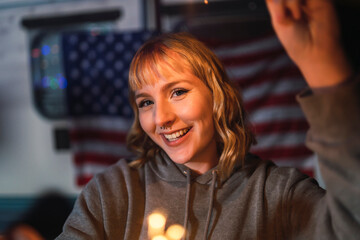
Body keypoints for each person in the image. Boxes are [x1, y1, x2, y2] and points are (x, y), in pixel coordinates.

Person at [57, 0, 360, 239]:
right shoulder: (113, 191)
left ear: (218, 97)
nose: (161, 118)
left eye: (177, 92)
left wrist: (324, 66)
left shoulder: (276, 194)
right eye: (146, 102)